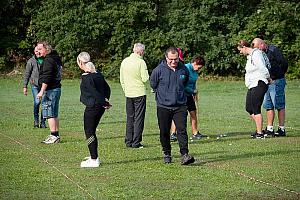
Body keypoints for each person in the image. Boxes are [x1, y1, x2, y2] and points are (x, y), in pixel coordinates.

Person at [150, 46, 195, 165]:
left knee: (182, 130)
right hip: (163, 106)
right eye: (171, 59)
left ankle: (184, 154)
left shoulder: (184, 69)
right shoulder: (158, 70)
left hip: (180, 106)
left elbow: (184, 83)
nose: (174, 62)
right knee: (164, 131)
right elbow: (153, 84)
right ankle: (167, 153)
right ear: (166, 58)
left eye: (176, 59)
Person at [77, 52, 111, 168]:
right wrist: (105, 101)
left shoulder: (86, 77)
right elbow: (107, 89)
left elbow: (94, 93)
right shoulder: (98, 74)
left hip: (93, 107)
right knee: (92, 130)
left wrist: (104, 102)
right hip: (99, 107)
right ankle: (93, 155)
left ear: (80, 63)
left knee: (89, 132)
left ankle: (94, 159)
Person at [251, 38, 288, 137]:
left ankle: (281, 129)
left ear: (262, 44)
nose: (258, 49)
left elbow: (284, 63)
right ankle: (270, 128)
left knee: (279, 105)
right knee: (268, 105)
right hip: (266, 82)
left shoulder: (273, 50)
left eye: (258, 47)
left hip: (277, 81)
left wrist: (279, 75)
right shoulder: (260, 54)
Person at [237, 40, 270, 139]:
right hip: (252, 84)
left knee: (256, 108)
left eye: (240, 50)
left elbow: (262, 67)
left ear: (244, 47)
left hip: (259, 83)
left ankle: (260, 133)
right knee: (249, 108)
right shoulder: (250, 56)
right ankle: (260, 129)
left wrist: (268, 78)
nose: (240, 52)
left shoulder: (256, 54)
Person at [170, 55, 207, 142]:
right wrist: (192, 91)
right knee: (178, 114)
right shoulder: (185, 68)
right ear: (195, 63)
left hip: (189, 95)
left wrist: (194, 92)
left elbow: (193, 82)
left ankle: (195, 132)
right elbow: (181, 84)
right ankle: (173, 134)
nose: (199, 69)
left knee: (193, 113)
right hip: (181, 95)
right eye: (199, 66)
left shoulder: (195, 71)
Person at [120, 43, 149, 148]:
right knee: (139, 118)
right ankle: (136, 142)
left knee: (130, 117)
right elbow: (145, 78)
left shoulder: (125, 61)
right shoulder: (141, 62)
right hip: (139, 92)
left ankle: (128, 141)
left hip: (128, 93)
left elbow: (122, 79)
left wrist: (126, 90)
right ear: (141, 52)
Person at [36, 41, 62, 144]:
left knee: (50, 113)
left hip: (50, 90)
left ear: (47, 49)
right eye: (37, 49)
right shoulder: (55, 58)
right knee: (54, 113)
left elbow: (47, 77)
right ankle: (55, 135)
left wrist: (41, 91)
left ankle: (54, 136)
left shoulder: (48, 60)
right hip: (56, 88)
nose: (38, 51)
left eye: (40, 49)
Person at [23, 46, 47, 128]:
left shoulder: (46, 59)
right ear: (34, 52)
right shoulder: (31, 61)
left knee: (44, 104)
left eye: (39, 50)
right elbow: (27, 74)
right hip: (35, 85)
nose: (38, 52)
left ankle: (43, 122)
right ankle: (36, 121)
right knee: (37, 102)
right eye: (36, 51)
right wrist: (25, 86)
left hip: (44, 85)